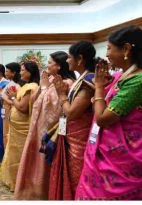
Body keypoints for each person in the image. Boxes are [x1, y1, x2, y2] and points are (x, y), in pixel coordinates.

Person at [76, 26, 142, 200]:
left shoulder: (138, 80)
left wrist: (98, 88)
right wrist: (101, 91)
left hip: (122, 158)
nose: (106, 54)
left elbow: (103, 118)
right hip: (105, 150)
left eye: (109, 48)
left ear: (126, 49)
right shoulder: (122, 75)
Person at [14, 51, 75, 199]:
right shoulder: (51, 81)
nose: (46, 65)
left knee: (44, 164)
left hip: (50, 132)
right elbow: (35, 102)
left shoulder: (66, 83)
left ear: (59, 66)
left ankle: (43, 194)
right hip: (37, 128)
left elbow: (55, 109)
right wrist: (43, 87)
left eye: (49, 62)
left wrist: (45, 88)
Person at [49, 40, 96, 200]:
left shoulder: (88, 81)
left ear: (80, 59)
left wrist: (62, 95)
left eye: (69, 57)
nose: (67, 60)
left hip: (79, 141)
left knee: (77, 177)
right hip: (71, 136)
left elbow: (72, 113)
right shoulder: (81, 79)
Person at [0, 61, 40, 192]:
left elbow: (22, 108)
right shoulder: (26, 85)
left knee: (20, 155)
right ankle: (15, 180)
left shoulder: (31, 86)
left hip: (23, 128)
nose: (20, 72)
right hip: (17, 126)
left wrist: (12, 98)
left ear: (30, 72)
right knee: (14, 153)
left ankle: (19, 182)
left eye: (23, 70)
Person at [0, 62, 22, 148]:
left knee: (7, 134)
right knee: (5, 134)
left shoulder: (16, 85)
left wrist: (3, 96)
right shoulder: (11, 82)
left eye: (7, 71)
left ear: (14, 73)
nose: (5, 73)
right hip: (5, 111)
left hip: (10, 111)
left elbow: (14, 102)